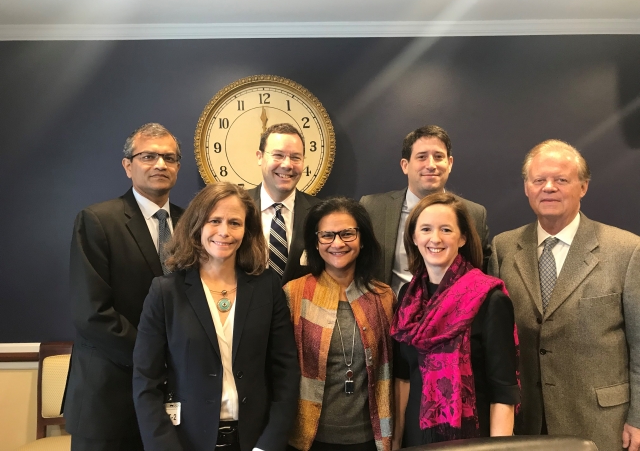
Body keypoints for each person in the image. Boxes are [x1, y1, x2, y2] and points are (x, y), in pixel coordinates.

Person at [489, 140, 640, 451]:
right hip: (527, 422)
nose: (549, 188)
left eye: (561, 179)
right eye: (539, 180)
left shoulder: (626, 250)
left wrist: (638, 417)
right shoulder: (503, 248)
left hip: (602, 423)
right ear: (527, 188)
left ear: (583, 186)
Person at [133, 182, 300, 451]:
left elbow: (286, 372)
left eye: (235, 223)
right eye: (214, 220)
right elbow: (145, 381)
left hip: (254, 441)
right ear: (197, 224)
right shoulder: (166, 292)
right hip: (186, 442)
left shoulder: (267, 286)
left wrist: (269, 444)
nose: (224, 231)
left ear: (247, 230)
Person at [64, 123, 183, 451]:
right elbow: (92, 313)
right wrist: (155, 359)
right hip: (109, 397)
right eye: (148, 156)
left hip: (173, 397)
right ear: (128, 166)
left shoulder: (192, 224)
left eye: (169, 158)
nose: (160, 164)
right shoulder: (97, 221)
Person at [392, 193, 519, 447]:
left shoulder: (489, 298)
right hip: (416, 441)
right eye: (426, 229)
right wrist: (395, 442)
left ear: (462, 238)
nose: (435, 238)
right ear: (414, 237)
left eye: (446, 229)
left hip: (472, 442)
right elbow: (403, 378)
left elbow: (503, 393)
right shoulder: (408, 297)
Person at [283, 197, 395, 451]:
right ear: (316, 242)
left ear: (362, 239)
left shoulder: (383, 297)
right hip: (308, 439)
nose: (337, 243)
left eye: (347, 234)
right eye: (327, 235)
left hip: (370, 439)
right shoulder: (294, 294)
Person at [360, 125, 491, 295]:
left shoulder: (474, 214)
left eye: (438, 157)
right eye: (422, 157)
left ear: (450, 163)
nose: (431, 165)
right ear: (405, 165)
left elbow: (481, 274)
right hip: (389, 309)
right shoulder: (372, 208)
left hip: (453, 309)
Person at [248, 122, 321, 284]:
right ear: (260, 157)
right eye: (278, 155)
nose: (287, 165)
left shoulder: (320, 213)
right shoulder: (238, 207)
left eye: (295, 157)